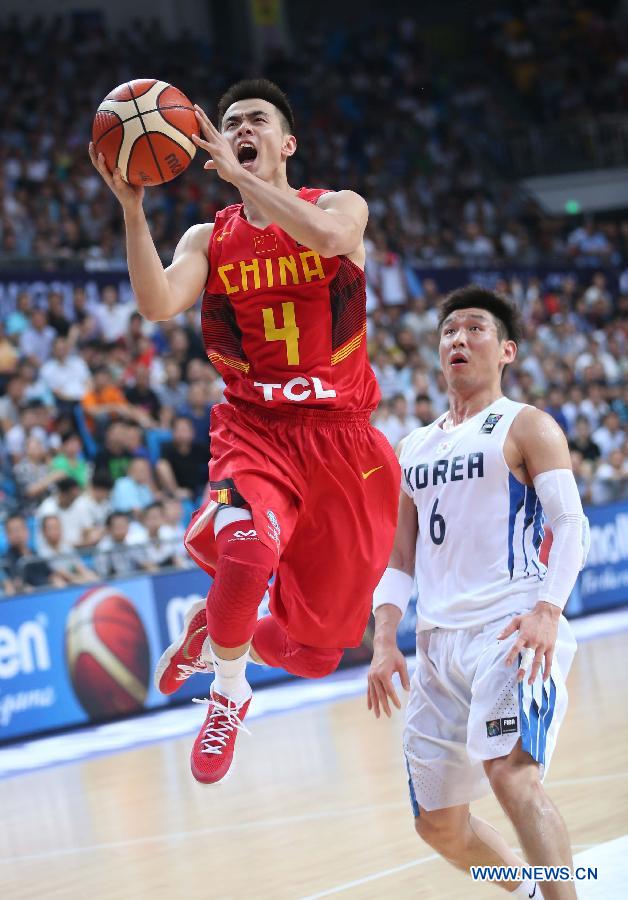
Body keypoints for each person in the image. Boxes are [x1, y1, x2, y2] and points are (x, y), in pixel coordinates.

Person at [89, 77, 399, 785]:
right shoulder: (209, 236)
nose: (240, 130)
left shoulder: (338, 205)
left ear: (285, 143)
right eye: (229, 124)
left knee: (320, 650)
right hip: (255, 431)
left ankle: (215, 635)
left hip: (344, 444)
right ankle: (229, 694)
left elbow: (327, 238)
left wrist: (239, 179)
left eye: (255, 120)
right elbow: (157, 302)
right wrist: (133, 212)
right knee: (247, 547)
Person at [367, 286, 589, 900]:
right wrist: (385, 639)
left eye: (474, 330)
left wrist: (548, 609)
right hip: (437, 645)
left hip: (510, 630)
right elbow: (400, 556)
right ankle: (525, 889)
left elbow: (571, 525)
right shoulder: (411, 447)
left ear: (507, 350)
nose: (458, 340)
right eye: (448, 332)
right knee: (437, 825)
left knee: (513, 778)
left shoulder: (527, 425)